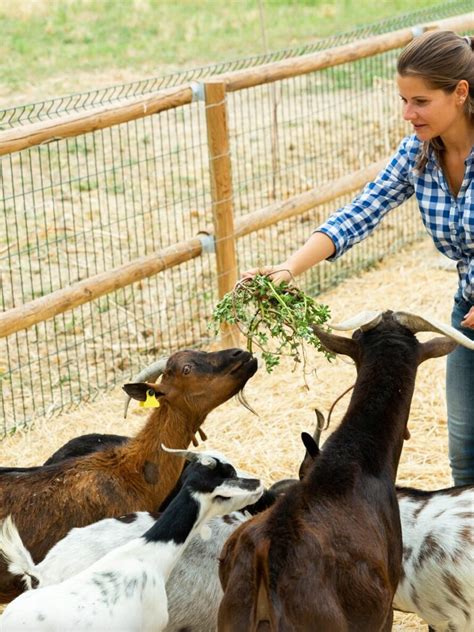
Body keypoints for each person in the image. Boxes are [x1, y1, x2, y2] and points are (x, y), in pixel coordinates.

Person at [242, 31, 474, 486]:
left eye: (420, 101)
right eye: (403, 100)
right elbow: (359, 213)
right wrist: (289, 269)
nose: (408, 114)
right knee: (466, 453)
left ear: (460, 93)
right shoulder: (419, 152)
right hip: (465, 312)